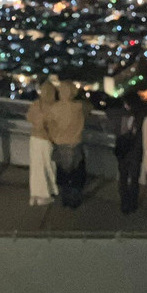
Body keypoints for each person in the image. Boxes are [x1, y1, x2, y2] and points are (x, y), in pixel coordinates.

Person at [48, 80, 88, 208]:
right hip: (75, 145)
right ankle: (75, 200)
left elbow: (50, 125)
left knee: (62, 174)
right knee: (77, 175)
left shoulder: (54, 108)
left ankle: (65, 199)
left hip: (60, 146)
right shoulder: (79, 107)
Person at [108, 93, 145, 214]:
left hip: (123, 151)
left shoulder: (119, 114)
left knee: (123, 178)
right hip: (135, 152)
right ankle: (133, 203)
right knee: (134, 179)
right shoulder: (141, 116)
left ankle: (125, 203)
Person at [26, 79, 59, 205]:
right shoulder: (53, 107)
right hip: (46, 139)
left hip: (34, 138)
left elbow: (29, 117)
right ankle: (44, 195)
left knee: (36, 167)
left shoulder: (36, 104)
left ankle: (34, 194)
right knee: (47, 166)